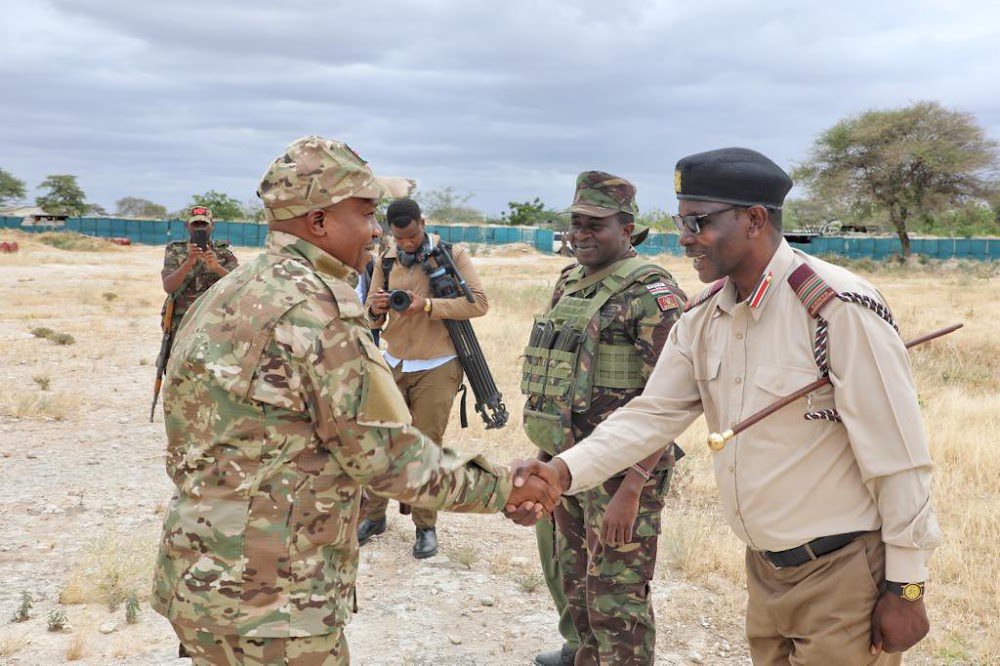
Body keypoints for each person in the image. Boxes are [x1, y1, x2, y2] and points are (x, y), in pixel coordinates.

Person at [518, 147, 942, 665]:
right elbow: (652, 415)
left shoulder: (835, 310)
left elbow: (900, 458)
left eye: (698, 222)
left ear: (755, 220)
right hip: (765, 571)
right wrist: (562, 471)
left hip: (844, 572)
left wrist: (908, 587)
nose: (685, 237)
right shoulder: (703, 318)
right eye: (682, 221)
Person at [150, 135, 559, 665]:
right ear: (318, 221)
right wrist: (504, 487)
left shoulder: (226, 292)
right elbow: (386, 459)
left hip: (201, 576)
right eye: (365, 213)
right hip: (274, 600)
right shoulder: (316, 311)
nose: (374, 230)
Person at [522, 172, 686, 666]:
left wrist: (633, 487)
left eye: (596, 224)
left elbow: (673, 402)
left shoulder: (652, 293)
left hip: (622, 472)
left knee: (616, 595)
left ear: (627, 228)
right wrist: (545, 455)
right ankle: (583, 655)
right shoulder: (570, 281)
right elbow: (559, 376)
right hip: (568, 463)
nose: (583, 234)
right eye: (576, 222)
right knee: (572, 577)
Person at [356, 198, 490, 559]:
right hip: (394, 360)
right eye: (400, 239)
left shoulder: (453, 254)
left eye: (412, 236)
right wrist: (376, 308)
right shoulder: (384, 259)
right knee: (379, 440)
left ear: (423, 223)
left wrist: (427, 306)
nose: (407, 244)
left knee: (426, 445)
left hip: (437, 364)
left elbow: (478, 303)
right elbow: (370, 316)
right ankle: (372, 516)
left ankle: (425, 527)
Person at [160, 205, 238, 331]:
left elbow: (237, 285)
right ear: (187, 226)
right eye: (195, 224)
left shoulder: (224, 251)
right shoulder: (175, 250)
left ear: (212, 225)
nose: (200, 227)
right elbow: (169, 287)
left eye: (204, 223)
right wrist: (188, 262)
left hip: (215, 320)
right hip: (182, 321)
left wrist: (217, 267)